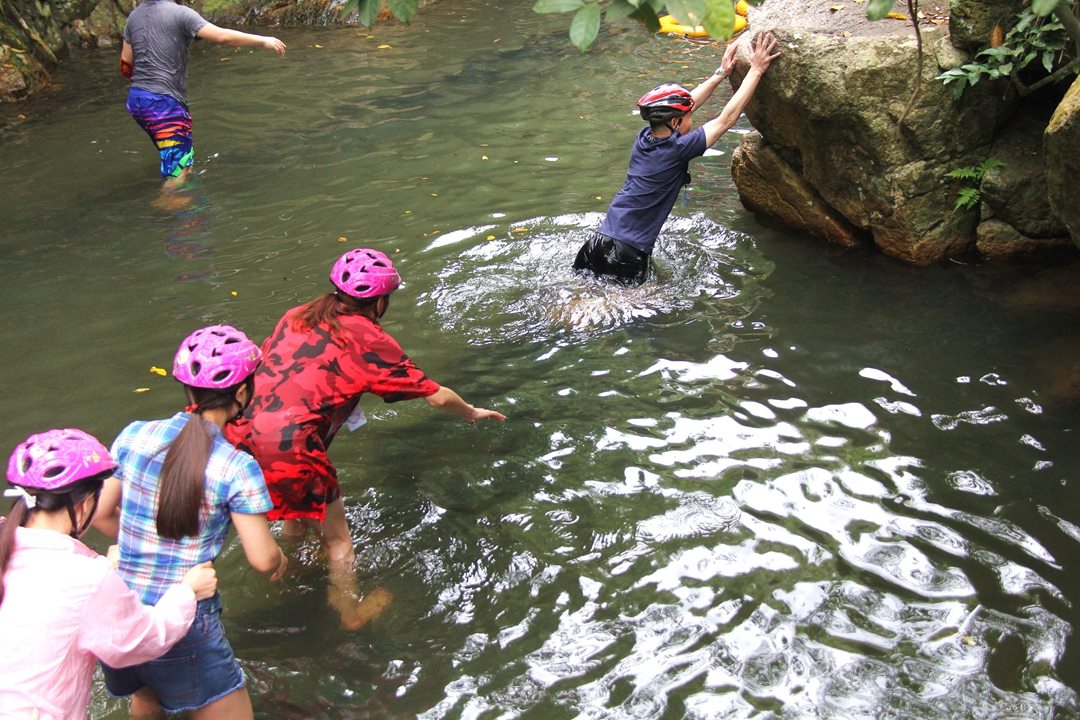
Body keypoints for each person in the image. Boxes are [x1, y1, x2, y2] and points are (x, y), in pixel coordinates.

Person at [225, 248, 506, 629]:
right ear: (380, 300)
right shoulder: (368, 338)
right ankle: (349, 610)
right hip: (295, 446)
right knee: (338, 541)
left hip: (242, 434)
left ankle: (292, 578)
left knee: (296, 514)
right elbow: (435, 395)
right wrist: (472, 412)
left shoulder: (297, 316)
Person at [93, 325, 288, 720]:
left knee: (147, 697)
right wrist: (281, 561)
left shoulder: (134, 436)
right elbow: (262, 559)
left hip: (120, 609)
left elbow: (99, 512)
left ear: (188, 390)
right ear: (241, 393)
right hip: (182, 622)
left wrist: (141, 545)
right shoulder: (236, 466)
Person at [0, 428, 217, 719]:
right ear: (85, 503)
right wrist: (188, 591)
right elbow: (144, 640)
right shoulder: (87, 578)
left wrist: (102, 567)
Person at [573, 32, 782, 286]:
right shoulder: (678, 149)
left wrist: (721, 73)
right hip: (627, 254)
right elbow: (726, 119)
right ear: (674, 122)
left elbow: (687, 105)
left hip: (597, 242)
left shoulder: (645, 138)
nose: (692, 118)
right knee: (635, 312)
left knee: (583, 299)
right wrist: (756, 70)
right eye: (688, 117)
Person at [119, 0, 287, 188]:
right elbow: (222, 36)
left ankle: (172, 197)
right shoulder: (180, 13)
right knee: (179, 170)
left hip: (137, 100)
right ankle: (167, 209)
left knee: (175, 157)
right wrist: (263, 40)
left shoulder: (134, 17)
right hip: (164, 104)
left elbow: (126, 64)